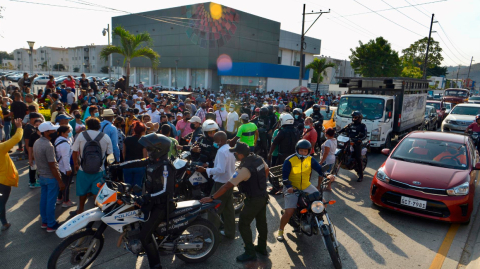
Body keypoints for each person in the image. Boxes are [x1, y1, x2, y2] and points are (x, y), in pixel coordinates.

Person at [109, 133, 176, 269]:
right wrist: (119, 166)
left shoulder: (164, 167)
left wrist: (146, 197)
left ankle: (156, 265)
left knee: (144, 235)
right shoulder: (153, 160)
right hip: (151, 202)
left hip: (161, 206)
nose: (148, 151)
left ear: (158, 150)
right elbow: (138, 162)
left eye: (150, 149)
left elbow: (165, 190)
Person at [200, 141, 269, 262]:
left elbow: (227, 186)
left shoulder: (244, 169)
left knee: (243, 224)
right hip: (263, 195)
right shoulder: (258, 159)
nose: (234, 155)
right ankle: (262, 248)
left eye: (235, 153)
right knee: (261, 223)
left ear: (241, 155)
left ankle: (250, 252)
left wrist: (212, 198)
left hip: (253, 199)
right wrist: (260, 186)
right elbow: (266, 170)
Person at [277, 140, 334, 241]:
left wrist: (327, 175)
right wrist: (289, 187)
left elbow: (319, 169)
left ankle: (318, 221)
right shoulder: (289, 160)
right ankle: (281, 230)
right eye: (301, 151)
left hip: (306, 185)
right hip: (292, 187)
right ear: (297, 150)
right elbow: (284, 177)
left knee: (323, 203)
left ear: (308, 151)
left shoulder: (310, 159)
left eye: (305, 151)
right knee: (289, 211)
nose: (303, 153)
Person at [195, 131, 236, 239]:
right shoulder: (230, 149)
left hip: (221, 184)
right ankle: (230, 232)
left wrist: (205, 169)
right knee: (228, 210)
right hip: (229, 182)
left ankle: (210, 235)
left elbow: (220, 170)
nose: (214, 143)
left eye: (215, 141)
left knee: (213, 209)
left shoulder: (222, 151)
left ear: (221, 140)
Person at [71, 117, 113, 214]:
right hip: (100, 170)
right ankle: (97, 212)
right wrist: (109, 167)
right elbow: (110, 155)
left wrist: (76, 164)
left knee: (82, 192)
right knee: (97, 192)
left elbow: (74, 151)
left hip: (83, 169)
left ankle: (80, 210)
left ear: (87, 126)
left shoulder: (81, 135)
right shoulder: (105, 137)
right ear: (99, 126)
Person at [34, 122, 66, 232]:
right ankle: (51, 224)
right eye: (52, 130)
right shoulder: (48, 145)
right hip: (51, 178)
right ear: (46, 132)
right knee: (51, 202)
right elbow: (52, 165)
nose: (54, 132)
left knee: (44, 200)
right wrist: (60, 181)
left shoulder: (37, 142)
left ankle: (45, 221)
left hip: (42, 176)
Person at [0, 119, 24, 231]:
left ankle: (4, 223)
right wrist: (19, 127)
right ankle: (4, 223)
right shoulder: (1, 148)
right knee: (1, 203)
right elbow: (16, 139)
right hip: (3, 181)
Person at [337, 110, 367, 182]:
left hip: (357, 143)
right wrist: (337, 132)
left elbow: (364, 135)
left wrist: (360, 139)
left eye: (355, 117)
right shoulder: (350, 125)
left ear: (359, 118)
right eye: (353, 117)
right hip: (348, 142)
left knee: (358, 157)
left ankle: (361, 175)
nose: (354, 118)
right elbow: (343, 129)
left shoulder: (362, 126)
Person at [123, 122, 148, 194]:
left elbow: (123, 152)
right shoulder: (143, 141)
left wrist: (126, 162)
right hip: (139, 166)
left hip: (127, 165)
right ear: (142, 131)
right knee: (137, 187)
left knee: (127, 187)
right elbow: (145, 156)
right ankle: (137, 203)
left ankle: (128, 203)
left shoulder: (127, 139)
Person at [54, 126, 76, 207]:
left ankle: (59, 199)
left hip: (60, 166)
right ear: (62, 133)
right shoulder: (64, 144)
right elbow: (65, 157)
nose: (69, 133)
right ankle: (66, 201)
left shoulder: (58, 140)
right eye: (68, 132)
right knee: (66, 184)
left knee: (62, 184)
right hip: (64, 167)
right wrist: (68, 169)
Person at [24, 113, 43, 188]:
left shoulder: (43, 134)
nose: (38, 125)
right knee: (32, 168)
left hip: (41, 155)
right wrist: (30, 157)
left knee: (39, 169)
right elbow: (29, 146)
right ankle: (32, 182)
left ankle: (37, 180)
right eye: (36, 124)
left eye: (39, 124)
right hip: (33, 155)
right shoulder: (32, 134)